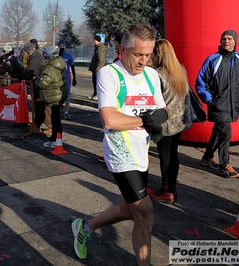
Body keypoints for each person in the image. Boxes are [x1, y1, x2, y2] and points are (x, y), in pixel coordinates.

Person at [71, 23, 167, 265]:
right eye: (138, 54)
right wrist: (146, 119)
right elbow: (109, 119)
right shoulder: (109, 74)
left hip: (141, 151)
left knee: (127, 210)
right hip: (120, 153)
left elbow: (163, 108)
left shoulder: (151, 75)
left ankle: (85, 227)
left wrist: (160, 117)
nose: (143, 61)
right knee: (145, 215)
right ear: (122, 50)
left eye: (148, 54)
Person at [196, 30, 239, 179]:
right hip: (218, 105)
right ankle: (224, 165)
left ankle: (207, 158)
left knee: (218, 132)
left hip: (233, 104)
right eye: (224, 38)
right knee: (225, 132)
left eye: (230, 38)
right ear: (220, 41)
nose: (226, 41)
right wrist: (210, 100)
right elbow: (201, 81)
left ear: (235, 42)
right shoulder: (213, 59)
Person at [148, 39, 191, 204]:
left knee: (165, 157)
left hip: (164, 122)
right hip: (178, 121)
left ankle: (166, 191)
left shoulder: (157, 75)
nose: (150, 56)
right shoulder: (180, 70)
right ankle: (171, 186)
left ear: (159, 54)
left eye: (152, 52)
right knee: (173, 155)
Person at [97, 30, 124, 163]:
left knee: (114, 128)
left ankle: (113, 155)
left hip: (120, 100)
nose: (113, 43)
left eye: (115, 41)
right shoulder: (119, 58)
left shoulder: (122, 60)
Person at [35, 47, 67, 148]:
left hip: (54, 95)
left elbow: (43, 83)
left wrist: (36, 81)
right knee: (55, 118)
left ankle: (56, 140)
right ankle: (54, 138)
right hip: (58, 93)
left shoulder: (50, 67)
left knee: (56, 119)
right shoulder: (58, 63)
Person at [23, 42, 46, 131]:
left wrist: (25, 77)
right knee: (39, 107)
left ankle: (37, 125)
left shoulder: (34, 60)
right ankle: (37, 124)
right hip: (39, 85)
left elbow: (32, 73)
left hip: (38, 87)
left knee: (39, 107)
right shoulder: (37, 56)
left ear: (26, 52)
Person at [58, 41, 76, 120]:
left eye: (63, 46)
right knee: (58, 94)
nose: (62, 47)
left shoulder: (69, 56)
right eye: (60, 46)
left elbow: (72, 67)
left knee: (67, 95)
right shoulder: (57, 56)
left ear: (65, 47)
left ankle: (66, 112)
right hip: (58, 78)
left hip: (67, 77)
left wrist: (75, 77)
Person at [88, 35, 108, 100]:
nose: (93, 41)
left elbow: (101, 59)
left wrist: (96, 68)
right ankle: (95, 93)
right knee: (94, 81)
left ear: (97, 40)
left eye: (94, 40)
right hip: (95, 68)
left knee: (97, 82)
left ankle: (97, 95)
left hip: (98, 69)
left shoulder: (100, 48)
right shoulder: (97, 48)